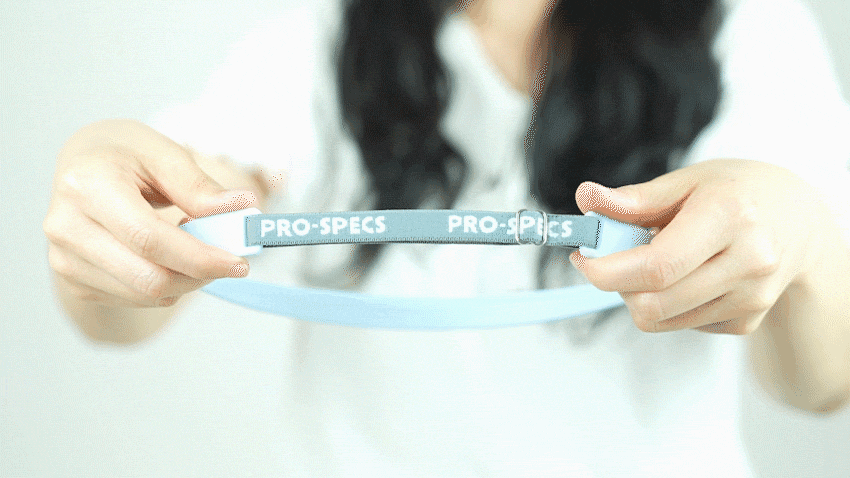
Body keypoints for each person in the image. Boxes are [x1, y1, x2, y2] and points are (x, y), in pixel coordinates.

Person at [44, 0, 850, 475]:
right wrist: (118, 217)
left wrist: (805, 243)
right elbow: (132, 293)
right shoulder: (320, 37)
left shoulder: (752, 29)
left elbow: (823, 385)